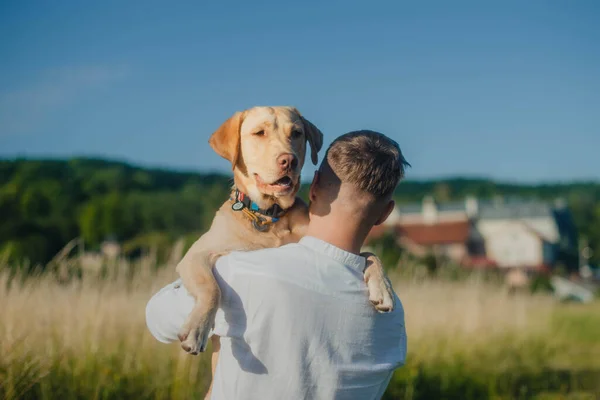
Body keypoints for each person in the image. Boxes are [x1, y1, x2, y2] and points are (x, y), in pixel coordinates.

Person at [146, 130, 409, 399]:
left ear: (314, 185)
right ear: (385, 214)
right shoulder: (393, 316)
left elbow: (157, 319)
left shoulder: (242, 272)